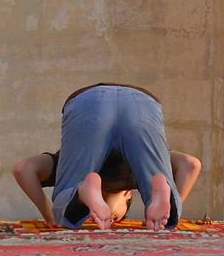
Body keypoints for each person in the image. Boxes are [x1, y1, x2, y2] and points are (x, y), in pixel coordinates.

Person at [12, 82, 201, 232]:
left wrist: (49, 214)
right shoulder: (133, 177)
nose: (111, 218)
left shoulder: (61, 163)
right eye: (118, 216)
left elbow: (23, 168)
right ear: (128, 193)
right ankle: (162, 198)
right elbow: (190, 164)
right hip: (141, 104)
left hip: (90, 102)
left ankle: (80, 193)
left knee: (66, 200)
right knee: (157, 182)